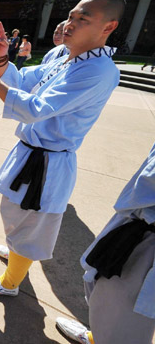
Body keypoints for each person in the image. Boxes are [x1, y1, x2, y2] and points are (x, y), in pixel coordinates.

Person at [0, 0, 125, 301]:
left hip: (47, 163)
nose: (71, 24)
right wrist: (1, 60)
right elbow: (23, 82)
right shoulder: (63, 56)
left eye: (83, 19)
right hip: (31, 152)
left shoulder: (98, 71)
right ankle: (15, 254)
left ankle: (10, 282)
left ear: (108, 26)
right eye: (72, 17)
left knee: (31, 222)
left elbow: (35, 108)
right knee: (15, 211)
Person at [56, 142, 155, 344]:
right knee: (111, 312)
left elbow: (146, 183)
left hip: (146, 236)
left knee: (122, 321)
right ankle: (98, 336)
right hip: (142, 226)